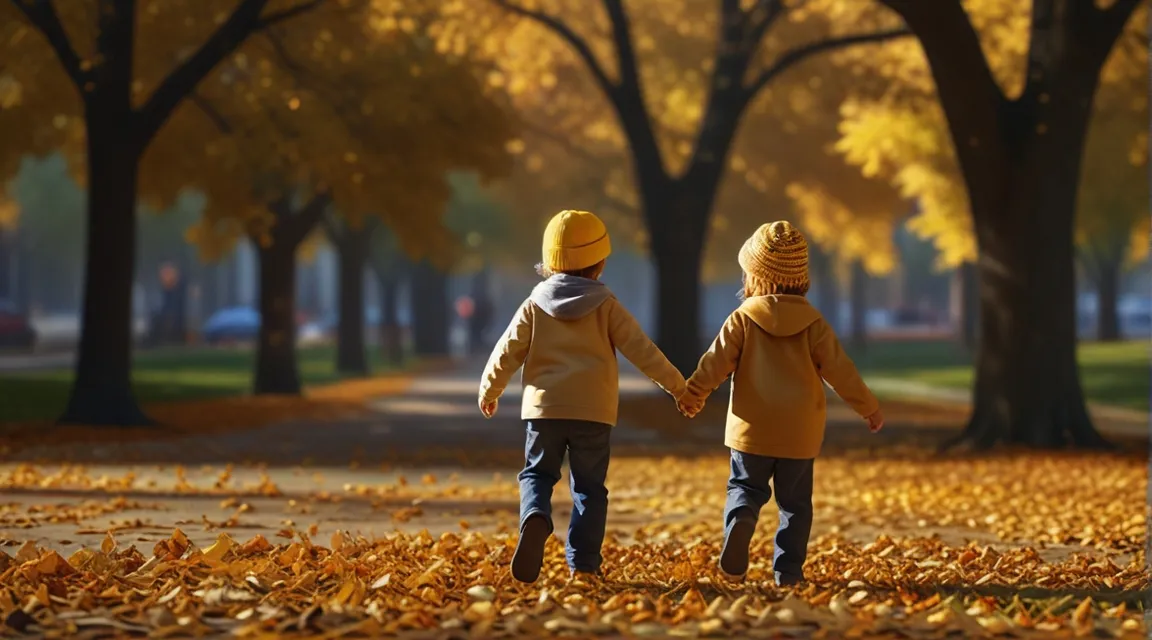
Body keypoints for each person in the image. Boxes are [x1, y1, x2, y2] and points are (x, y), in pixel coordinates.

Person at [478, 209, 687, 584]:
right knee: (590, 489)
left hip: (545, 410)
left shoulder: (534, 305)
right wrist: (678, 388)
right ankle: (584, 566)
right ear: (600, 263)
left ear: (548, 260)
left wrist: (489, 389)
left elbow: (507, 350)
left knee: (537, 475)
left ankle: (535, 517)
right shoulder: (606, 306)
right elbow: (642, 350)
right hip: (594, 412)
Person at [676, 221, 884, 586]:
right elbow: (841, 371)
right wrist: (867, 406)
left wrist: (693, 394)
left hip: (751, 429)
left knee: (744, 488)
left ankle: (740, 523)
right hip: (799, 433)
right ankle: (787, 572)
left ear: (755, 275)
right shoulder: (814, 324)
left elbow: (715, 363)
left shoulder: (743, 318)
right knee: (795, 505)